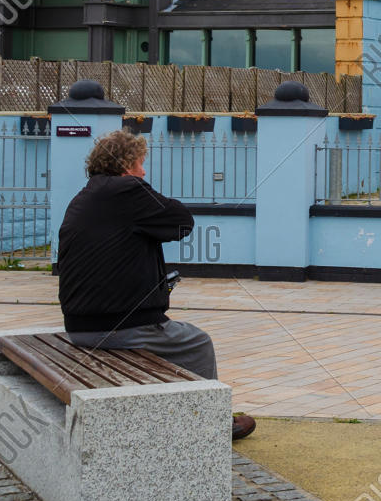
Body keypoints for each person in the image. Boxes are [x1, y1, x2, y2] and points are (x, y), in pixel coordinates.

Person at [58, 130, 255, 441]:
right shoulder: (128, 190)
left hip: (78, 325)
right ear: (125, 166)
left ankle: (176, 413)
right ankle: (210, 423)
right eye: (140, 164)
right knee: (197, 343)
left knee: (173, 338)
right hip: (117, 327)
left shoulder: (84, 197)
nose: (144, 171)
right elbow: (182, 221)